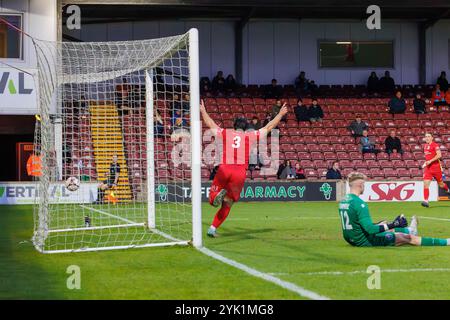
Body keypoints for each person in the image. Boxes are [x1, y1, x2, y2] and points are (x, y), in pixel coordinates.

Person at [200, 99, 288, 237]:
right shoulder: (250, 136)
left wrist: (203, 110)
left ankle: (214, 197)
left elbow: (210, 123)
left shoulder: (226, 133)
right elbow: (269, 127)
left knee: (212, 200)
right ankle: (212, 228)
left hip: (225, 168)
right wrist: (280, 114)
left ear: (234, 126)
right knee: (228, 203)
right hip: (239, 172)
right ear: (246, 127)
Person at [339, 172, 450, 247]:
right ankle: (446, 242)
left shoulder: (344, 200)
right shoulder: (359, 203)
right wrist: (394, 224)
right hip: (364, 240)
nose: (365, 186)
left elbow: (357, 223)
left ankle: (410, 229)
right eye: (364, 184)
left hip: (351, 239)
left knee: (383, 224)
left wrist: (384, 224)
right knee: (409, 238)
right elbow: (370, 230)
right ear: (360, 185)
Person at [421, 133, 450, 208]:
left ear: (432, 138)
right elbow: (428, 157)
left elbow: (439, 155)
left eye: (428, 136)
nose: (427, 138)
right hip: (428, 168)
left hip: (436, 168)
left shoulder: (435, 145)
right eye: (426, 136)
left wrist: (430, 161)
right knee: (426, 184)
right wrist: (426, 162)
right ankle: (426, 201)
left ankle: (448, 191)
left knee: (441, 184)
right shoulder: (425, 146)